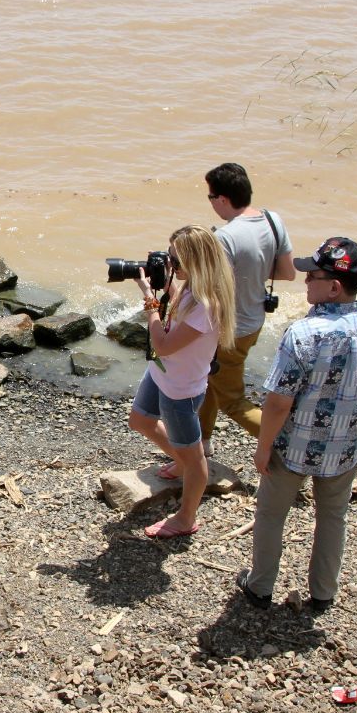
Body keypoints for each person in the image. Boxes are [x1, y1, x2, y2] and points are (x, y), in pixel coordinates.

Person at [237, 237, 357, 613]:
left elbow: (278, 403)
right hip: (346, 447)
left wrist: (263, 447)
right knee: (332, 517)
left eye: (313, 276)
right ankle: (323, 592)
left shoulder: (303, 334)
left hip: (293, 446)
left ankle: (260, 587)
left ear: (334, 286)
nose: (305, 280)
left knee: (271, 514)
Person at [130, 225, 236, 539]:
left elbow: (162, 342)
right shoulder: (193, 287)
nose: (171, 266)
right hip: (162, 373)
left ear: (196, 261)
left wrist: (149, 301)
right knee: (140, 420)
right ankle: (180, 461)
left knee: (196, 459)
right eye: (170, 259)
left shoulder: (207, 304)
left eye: (175, 261)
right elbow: (176, 308)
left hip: (180, 390)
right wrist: (164, 286)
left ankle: (186, 517)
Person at [192, 162, 297, 465]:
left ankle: (287, 445)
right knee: (211, 379)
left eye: (211, 197)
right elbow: (288, 272)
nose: (211, 203)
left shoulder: (225, 237)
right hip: (255, 322)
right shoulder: (272, 220)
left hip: (229, 331)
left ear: (222, 199)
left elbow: (210, 290)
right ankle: (203, 441)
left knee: (233, 400)